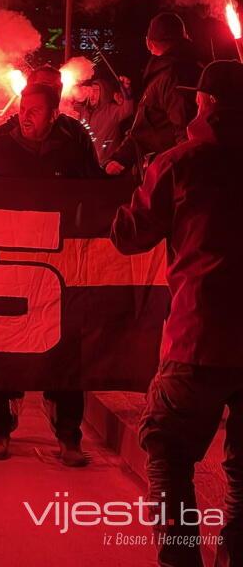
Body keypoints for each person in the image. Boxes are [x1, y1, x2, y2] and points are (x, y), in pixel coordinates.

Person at [111, 59, 243, 567]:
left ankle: (181, 557)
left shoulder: (179, 162)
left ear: (205, 103)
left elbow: (129, 234)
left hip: (200, 334)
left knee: (167, 446)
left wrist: (140, 181)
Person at [0, 83, 102, 466]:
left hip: (55, 274)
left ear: (53, 115)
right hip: (6, 275)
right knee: (0, 353)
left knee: (65, 353)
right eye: (24, 108)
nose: (26, 115)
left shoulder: (70, 151)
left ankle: (69, 436)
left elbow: (98, 195)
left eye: (36, 110)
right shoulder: (1, 148)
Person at [106, 12, 202, 176]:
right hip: (170, 172)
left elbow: (185, 132)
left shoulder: (170, 76)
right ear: (185, 36)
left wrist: (182, 177)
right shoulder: (195, 68)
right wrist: (120, 158)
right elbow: (149, 126)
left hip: (169, 176)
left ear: (149, 43)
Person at [71, 76, 134, 165]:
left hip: (106, 165)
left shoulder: (111, 111)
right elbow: (66, 108)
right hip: (86, 165)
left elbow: (127, 109)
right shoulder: (83, 111)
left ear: (104, 93)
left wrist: (127, 91)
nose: (93, 94)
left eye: (97, 91)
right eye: (92, 90)